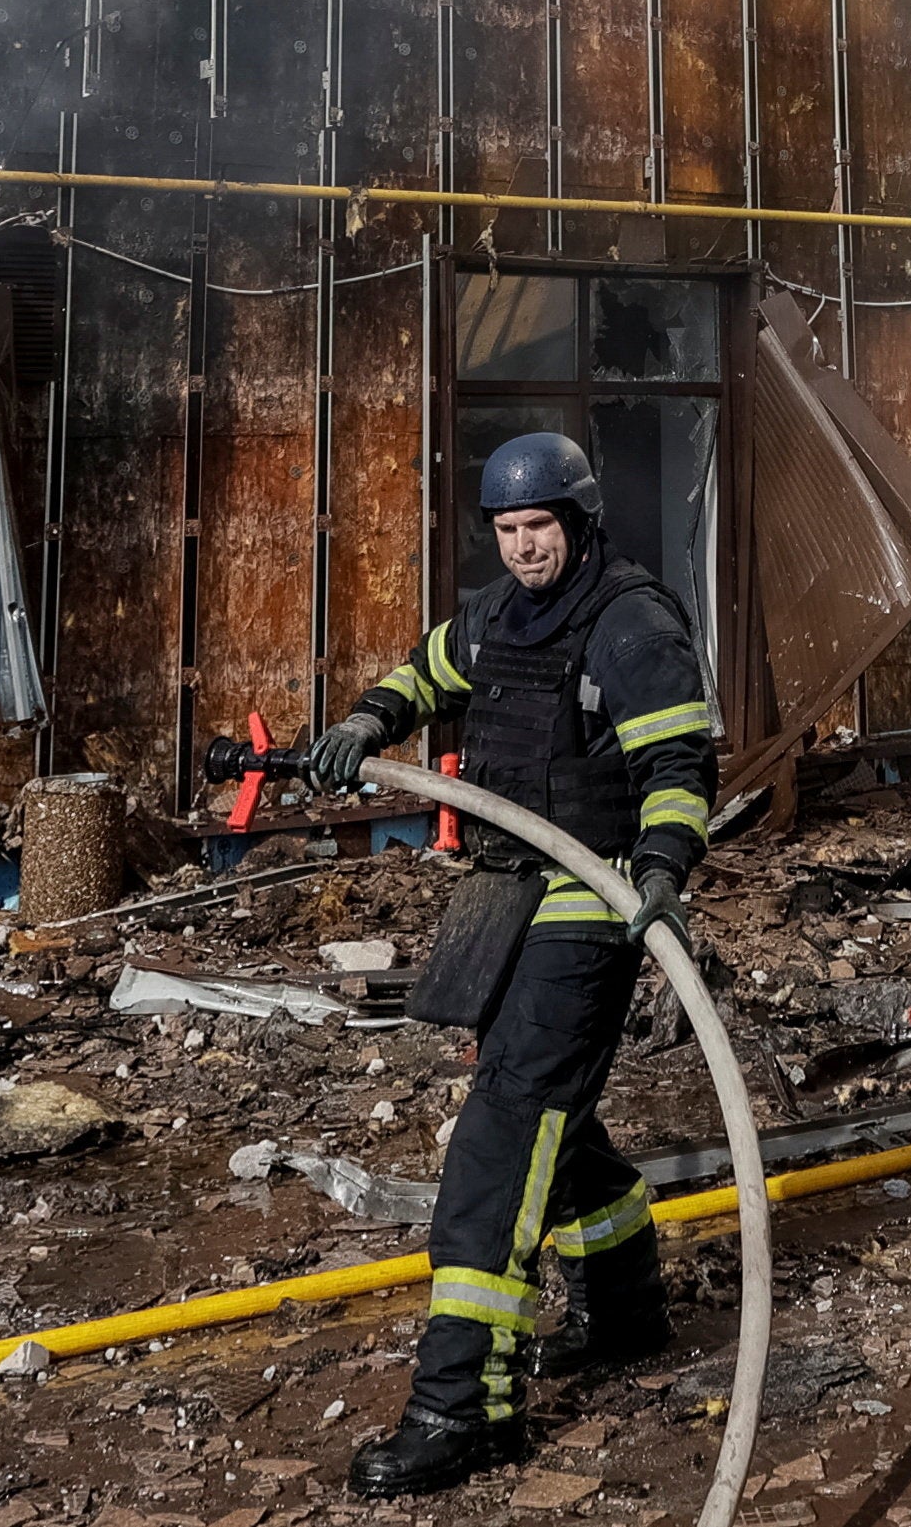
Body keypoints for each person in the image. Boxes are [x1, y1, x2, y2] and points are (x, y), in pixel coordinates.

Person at [303, 430, 716, 1498]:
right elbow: (423, 672)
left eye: (539, 526)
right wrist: (364, 720)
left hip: (594, 893)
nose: (523, 545)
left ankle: (460, 1407)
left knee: (501, 1131)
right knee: (546, 1106)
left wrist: (664, 868)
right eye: (507, 528)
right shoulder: (492, 618)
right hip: (502, 889)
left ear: (579, 524)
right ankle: (625, 1309)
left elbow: (677, 760)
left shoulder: (629, 622)